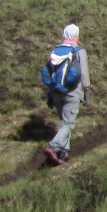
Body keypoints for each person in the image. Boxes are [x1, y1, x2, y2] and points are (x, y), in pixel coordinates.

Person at [42, 23, 91, 166]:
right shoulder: (79, 51)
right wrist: (86, 89)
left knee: (64, 122)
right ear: (76, 35)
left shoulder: (56, 51)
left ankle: (64, 152)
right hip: (72, 93)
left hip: (56, 93)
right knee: (68, 124)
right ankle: (53, 146)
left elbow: (51, 72)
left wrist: (50, 93)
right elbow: (83, 72)